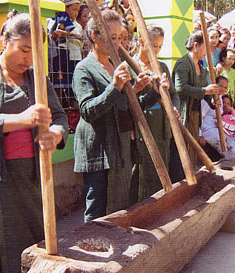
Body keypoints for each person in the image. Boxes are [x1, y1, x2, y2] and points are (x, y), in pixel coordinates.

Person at [0, 12, 68, 273]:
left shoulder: (38, 79)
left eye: (34, 53)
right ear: (4, 40)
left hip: (29, 178)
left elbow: (60, 117)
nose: (28, 59)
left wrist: (55, 134)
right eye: (23, 50)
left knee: (31, 246)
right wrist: (23, 119)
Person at [72, 9, 161, 222]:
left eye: (121, 37)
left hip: (121, 146)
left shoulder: (120, 65)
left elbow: (130, 106)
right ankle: (91, 252)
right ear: (94, 36)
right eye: (112, 38)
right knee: (98, 208)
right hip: (99, 148)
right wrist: (115, 87)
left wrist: (151, 91)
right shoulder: (84, 69)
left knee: (120, 205)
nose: (118, 43)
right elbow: (87, 111)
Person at [130, 25, 180, 200]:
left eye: (159, 46)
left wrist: (174, 108)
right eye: (153, 46)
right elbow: (130, 102)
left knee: (162, 173)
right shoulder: (130, 66)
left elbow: (174, 94)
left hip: (162, 129)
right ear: (142, 42)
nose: (157, 50)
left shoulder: (162, 67)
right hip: (143, 129)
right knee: (142, 174)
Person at [172, 30, 219, 170]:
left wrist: (211, 99)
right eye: (206, 47)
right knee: (182, 149)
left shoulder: (202, 68)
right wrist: (205, 91)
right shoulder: (183, 64)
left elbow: (205, 90)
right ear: (196, 45)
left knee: (193, 149)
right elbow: (180, 88)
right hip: (182, 113)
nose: (208, 51)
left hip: (194, 115)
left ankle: (191, 178)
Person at [200, 76, 235, 159]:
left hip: (217, 128)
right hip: (208, 131)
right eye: (220, 85)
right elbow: (200, 116)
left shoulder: (219, 97)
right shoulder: (208, 97)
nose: (222, 89)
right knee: (230, 151)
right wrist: (200, 135)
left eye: (225, 87)